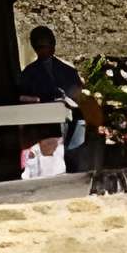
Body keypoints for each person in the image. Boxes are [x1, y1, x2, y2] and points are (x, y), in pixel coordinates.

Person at [15, 25, 86, 178]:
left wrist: (71, 97)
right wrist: (38, 100)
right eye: (42, 46)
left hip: (70, 120)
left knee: (73, 153)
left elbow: (78, 93)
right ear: (35, 48)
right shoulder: (28, 74)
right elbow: (20, 96)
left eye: (50, 45)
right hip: (43, 124)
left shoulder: (68, 70)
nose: (47, 49)